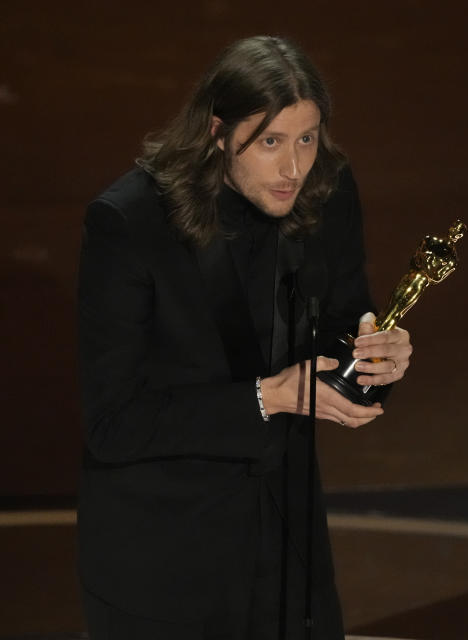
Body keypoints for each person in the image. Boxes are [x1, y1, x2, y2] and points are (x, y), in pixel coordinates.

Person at [76, 35, 413, 639]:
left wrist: (372, 359)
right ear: (217, 132)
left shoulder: (325, 190)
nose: (293, 167)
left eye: (306, 139)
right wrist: (267, 397)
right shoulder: (129, 223)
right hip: (163, 566)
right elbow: (112, 425)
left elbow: (343, 319)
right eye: (271, 143)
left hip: (289, 552)